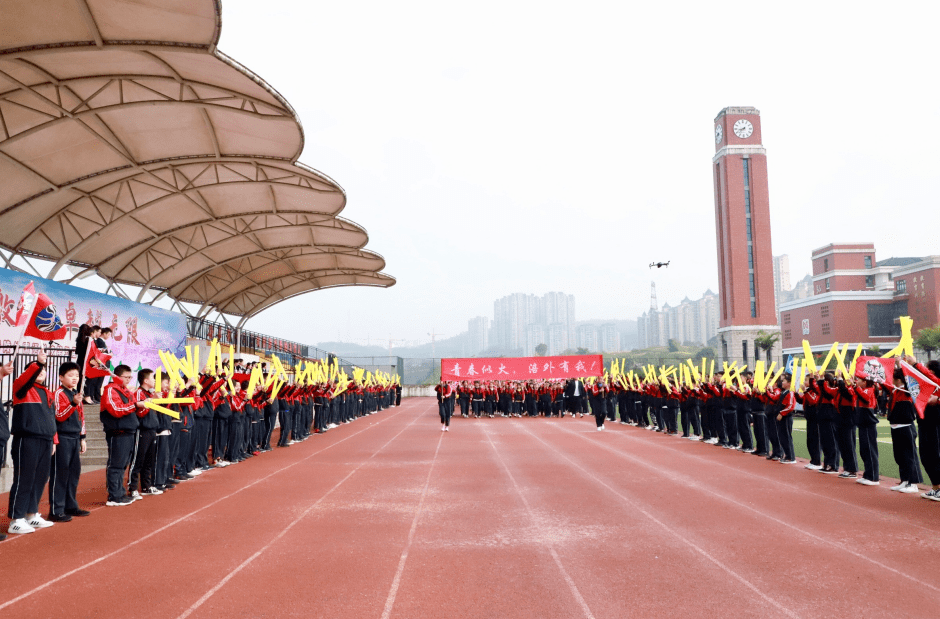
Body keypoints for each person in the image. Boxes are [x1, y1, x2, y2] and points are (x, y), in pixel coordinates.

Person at [7, 351, 57, 535]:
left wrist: (54, 440)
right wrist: (38, 362)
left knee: (40, 478)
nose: (41, 372)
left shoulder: (48, 393)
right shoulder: (21, 387)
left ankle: (31, 513)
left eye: (43, 370)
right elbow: (27, 377)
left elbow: (52, 419)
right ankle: (16, 519)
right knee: (24, 478)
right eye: (37, 370)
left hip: (46, 440)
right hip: (26, 438)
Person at [49, 361, 91, 521]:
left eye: (77, 375)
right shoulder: (59, 393)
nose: (75, 378)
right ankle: (56, 509)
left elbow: (81, 417)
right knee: (60, 473)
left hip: (74, 437)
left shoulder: (76, 394)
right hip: (62, 437)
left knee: (73, 473)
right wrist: (73, 403)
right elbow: (59, 416)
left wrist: (83, 437)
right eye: (70, 375)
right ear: (61, 377)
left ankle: (70, 505)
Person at [101, 364, 142, 506]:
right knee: (116, 464)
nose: (129, 380)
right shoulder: (111, 389)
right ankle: (114, 495)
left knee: (123, 464)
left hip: (128, 430)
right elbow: (115, 409)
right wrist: (136, 405)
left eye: (131, 377)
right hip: (117, 431)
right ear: (117, 377)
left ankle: (120, 492)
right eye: (126, 377)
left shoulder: (125, 391)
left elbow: (133, 405)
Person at [887, 366, 922, 494]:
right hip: (895, 426)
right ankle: (905, 480)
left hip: (906, 426)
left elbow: (909, 381)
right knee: (900, 456)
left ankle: (913, 483)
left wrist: (900, 364)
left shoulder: (907, 390)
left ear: (898, 379)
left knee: (909, 456)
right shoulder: (895, 391)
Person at [128, 369, 161, 499]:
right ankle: (133, 488)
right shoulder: (139, 393)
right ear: (146, 380)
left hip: (153, 429)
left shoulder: (150, 393)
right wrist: (150, 401)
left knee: (149, 461)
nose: (154, 380)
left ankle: (147, 486)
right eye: (153, 378)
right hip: (142, 430)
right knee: (138, 460)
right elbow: (139, 412)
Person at [853, 375, 880, 486]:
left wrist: (856, 388)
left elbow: (865, 397)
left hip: (869, 424)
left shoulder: (870, 389)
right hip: (863, 423)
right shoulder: (863, 389)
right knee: (864, 450)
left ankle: (873, 477)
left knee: (870, 450)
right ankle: (867, 474)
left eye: (859, 380)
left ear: (864, 382)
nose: (857, 381)